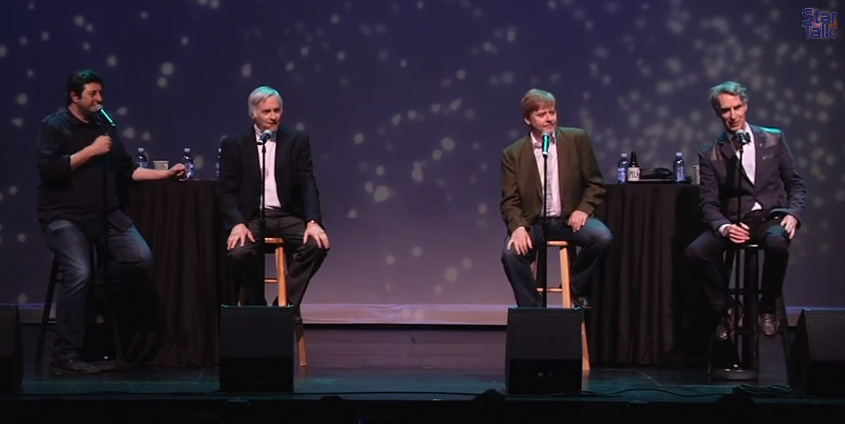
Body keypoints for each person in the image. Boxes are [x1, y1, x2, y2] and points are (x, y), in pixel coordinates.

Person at [36, 69, 187, 375]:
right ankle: (63, 355)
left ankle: (96, 296)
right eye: (92, 93)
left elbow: (127, 170)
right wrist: (91, 151)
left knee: (140, 257)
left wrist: (165, 174)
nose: (99, 99)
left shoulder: (105, 127)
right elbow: (50, 169)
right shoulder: (55, 126)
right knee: (79, 271)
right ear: (74, 96)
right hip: (65, 217)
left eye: (101, 93)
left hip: (104, 215)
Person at [685, 80, 806, 344]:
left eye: (736, 108)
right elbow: (708, 204)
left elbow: (795, 183)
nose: (732, 116)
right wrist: (725, 227)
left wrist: (793, 214)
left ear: (746, 106)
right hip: (734, 222)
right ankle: (727, 309)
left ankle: (767, 304)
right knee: (696, 252)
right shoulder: (710, 153)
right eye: (725, 111)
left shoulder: (774, 138)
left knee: (777, 244)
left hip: (768, 217)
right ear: (718, 114)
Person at [215, 86, 329, 320]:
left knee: (316, 244)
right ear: (253, 114)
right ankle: (256, 305)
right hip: (253, 216)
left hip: (286, 214)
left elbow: (308, 182)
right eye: (267, 111)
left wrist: (313, 221)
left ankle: (285, 307)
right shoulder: (234, 143)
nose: (273, 116)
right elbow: (225, 190)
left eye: (277, 111)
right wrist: (237, 222)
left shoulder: (296, 140)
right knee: (239, 252)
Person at [500, 88, 613, 309]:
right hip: (533, 223)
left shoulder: (576, 139)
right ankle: (533, 312)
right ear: (527, 119)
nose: (549, 118)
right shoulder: (513, 153)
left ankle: (575, 288)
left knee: (602, 238)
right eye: (541, 114)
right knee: (511, 255)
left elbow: (595, 183)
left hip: (567, 219)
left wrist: (583, 209)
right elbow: (510, 200)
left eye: (552, 112)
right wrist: (518, 227)